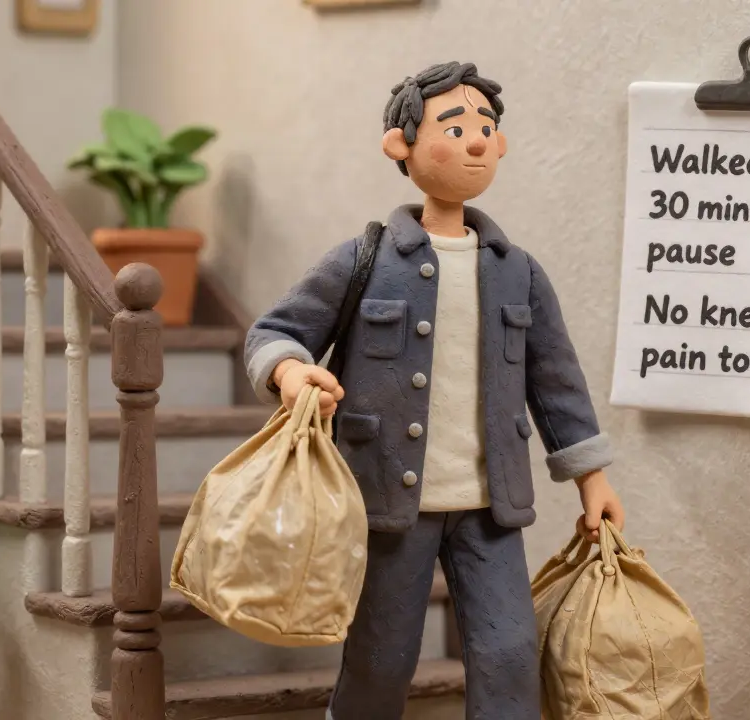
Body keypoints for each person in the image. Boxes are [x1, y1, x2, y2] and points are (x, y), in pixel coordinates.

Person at [243, 60, 625, 720]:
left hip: (491, 506)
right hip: (388, 499)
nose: (477, 140)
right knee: (381, 654)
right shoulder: (365, 259)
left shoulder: (517, 273)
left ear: (501, 143)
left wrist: (592, 479)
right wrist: (288, 370)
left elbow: (557, 379)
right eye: (454, 125)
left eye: (487, 126)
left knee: (508, 653)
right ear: (402, 145)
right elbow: (276, 330)